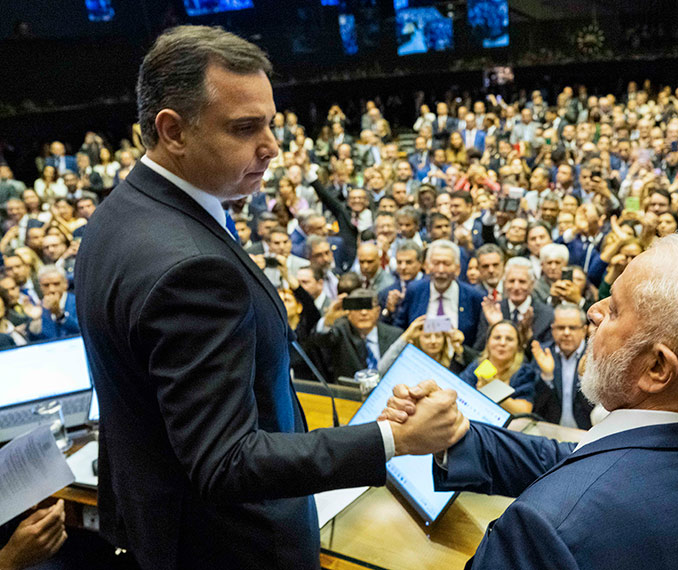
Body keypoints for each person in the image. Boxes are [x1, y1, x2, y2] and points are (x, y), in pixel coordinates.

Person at [74, 26, 467, 570]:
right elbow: (226, 460)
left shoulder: (116, 215)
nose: (272, 147)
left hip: (160, 526)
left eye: (271, 125)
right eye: (244, 128)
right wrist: (392, 439)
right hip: (232, 548)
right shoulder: (193, 267)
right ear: (173, 131)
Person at [382, 234, 678, 569]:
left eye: (615, 309)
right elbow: (585, 461)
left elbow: (589, 488)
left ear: (657, 367)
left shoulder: (545, 530)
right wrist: (457, 437)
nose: (593, 310)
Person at [393, 239, 484, 347]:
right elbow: (399, 329)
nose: (441, 270)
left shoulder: (474, 297)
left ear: (458, 268)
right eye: (436, 263)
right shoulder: (415, 290)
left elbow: (478, 343)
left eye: (446, 264)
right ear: (426, 266)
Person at [525, 303, 594, 428]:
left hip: (586, 433)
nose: (566, 333)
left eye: (572, 328)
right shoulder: (543, 354)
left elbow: (598, 408)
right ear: (552, 329)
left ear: (584, 330)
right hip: (551, 432)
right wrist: (547, 376)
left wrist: (582, 379)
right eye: (561, 328)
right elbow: (536, 405)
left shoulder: (594, 356)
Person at [476, 256, 554, 350]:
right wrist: (495, 326)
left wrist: (528, 339)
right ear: (504, 283)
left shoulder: (546, 315)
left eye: (522, 282)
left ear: (532, 284)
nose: (516, 287)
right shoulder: (493, 311)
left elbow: (546, 356)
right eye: (511, 281)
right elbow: (479, 351)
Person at [459, 320, 534, 414]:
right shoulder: (478, 365)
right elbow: (459, 391)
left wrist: (492, 389)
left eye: (509, 339)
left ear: (518, 345)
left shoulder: (524, 372)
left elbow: (524, 410)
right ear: (488, 342)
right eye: (497, 338)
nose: (502, 343)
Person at [379, 315, 478, 375]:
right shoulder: (408, 360)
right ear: (418, 338)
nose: (433, 341)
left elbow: (477, 364)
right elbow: (381, 369)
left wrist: (458, 347)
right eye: (427, 336)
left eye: (438, 336)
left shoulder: (453, 364)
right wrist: (405, 337)